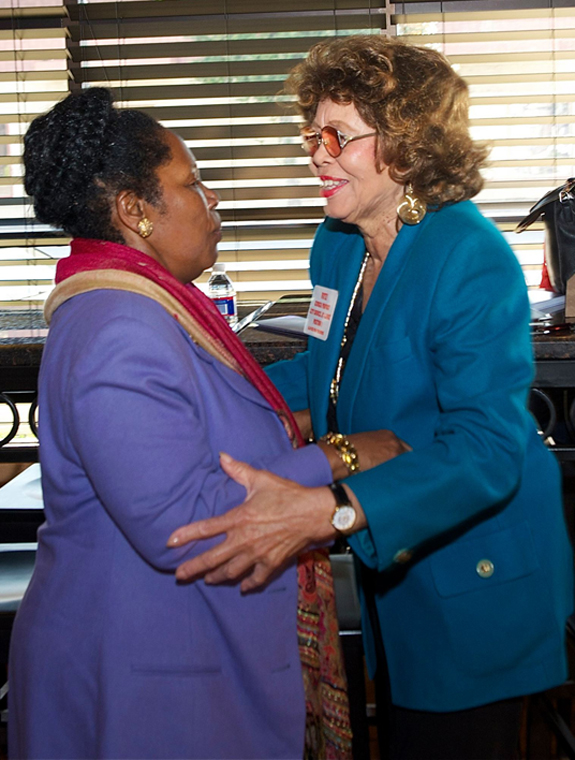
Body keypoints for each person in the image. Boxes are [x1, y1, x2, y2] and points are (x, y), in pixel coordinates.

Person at [169, 36, 574, 760]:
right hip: (394, 550)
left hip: (473, 565)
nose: (316, 154)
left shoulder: (468, 257)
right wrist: (201, 390)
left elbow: (485, 448)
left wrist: (329, 509)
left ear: (409, 146)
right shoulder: (339, 243)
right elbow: (325, 369)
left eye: (337, 136)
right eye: (311, 135)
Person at [8, 87, 408, 760]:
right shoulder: (119, 328)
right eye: (191, 183)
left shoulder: (147, 305)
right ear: (134, 211)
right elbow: (184, 523)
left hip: (171, 652)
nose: (211, 197)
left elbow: (206, 428)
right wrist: (342, 453)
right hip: (142, 677)